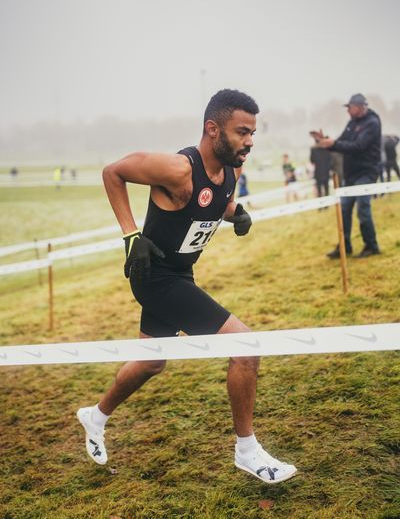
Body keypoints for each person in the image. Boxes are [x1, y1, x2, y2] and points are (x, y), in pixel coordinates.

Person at [77, 89, 297, 485]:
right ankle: (247, 450)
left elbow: (215, 201)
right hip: (154, 277)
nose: (249, 141)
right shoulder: (177, 169)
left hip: (181, 274)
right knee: (245, 346)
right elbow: (113, 172)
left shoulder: (233, 167)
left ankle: (95, 416)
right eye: (241, 131)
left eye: (253, 132)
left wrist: (236, 213)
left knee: (151, 361)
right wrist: (131, 236)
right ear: (213, 129)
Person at [311, 93, 381, 258]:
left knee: (363, 208)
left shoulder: (372, 123)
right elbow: (341, 142)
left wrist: (334, 143)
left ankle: (371, 246)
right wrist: (325, 140)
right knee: (343, 209)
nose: (348, 111)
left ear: (360, 106)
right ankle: (345, 246)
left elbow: (359, 146)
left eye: (350, 107)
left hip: (366, 172)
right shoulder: (352, 123)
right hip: (351, 174)